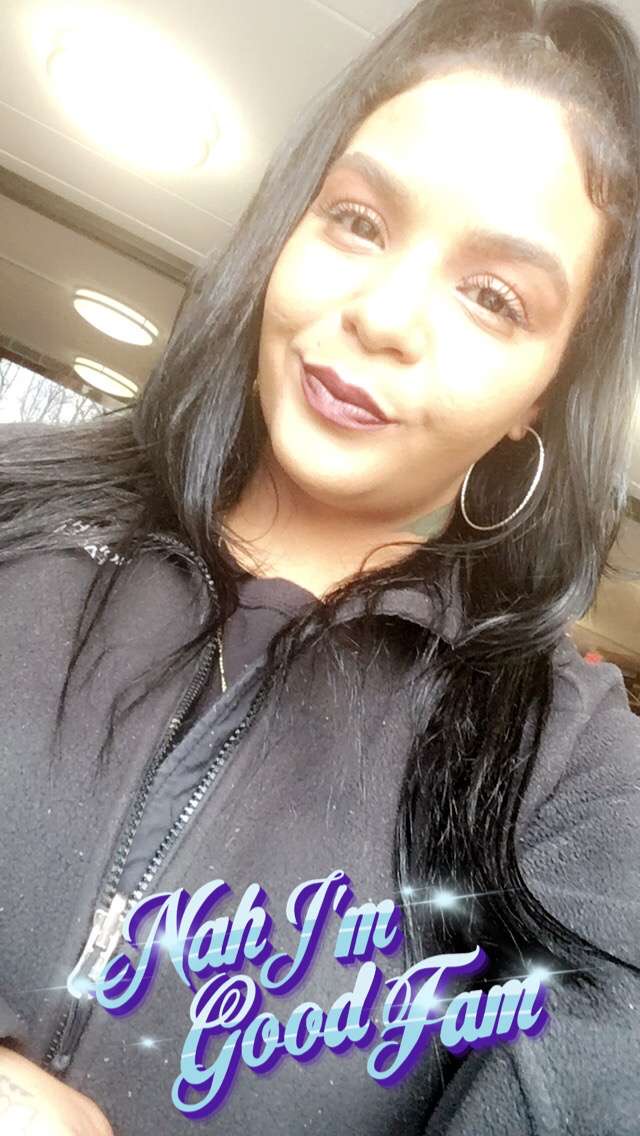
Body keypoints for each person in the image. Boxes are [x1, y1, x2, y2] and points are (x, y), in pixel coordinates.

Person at [1, 0, 640, 1132]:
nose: (381, 315)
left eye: (494, 297)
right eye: (356, 220)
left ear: (542, 393)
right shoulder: (14, 502)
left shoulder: (568, 769)